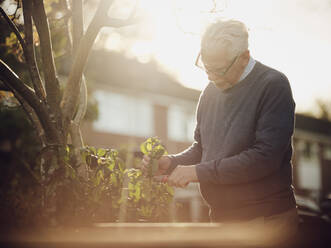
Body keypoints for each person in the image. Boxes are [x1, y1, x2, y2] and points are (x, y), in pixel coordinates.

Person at [142, 19, 299, 244]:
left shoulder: (273, 85)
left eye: (219, 69)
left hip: (266, 220)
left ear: (244, 58)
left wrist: (197, 172)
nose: (211, 76)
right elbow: (202, 148)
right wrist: (172, 162)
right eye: (206, 67)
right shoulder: (210, 92)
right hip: (221, 219)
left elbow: (264, 158)